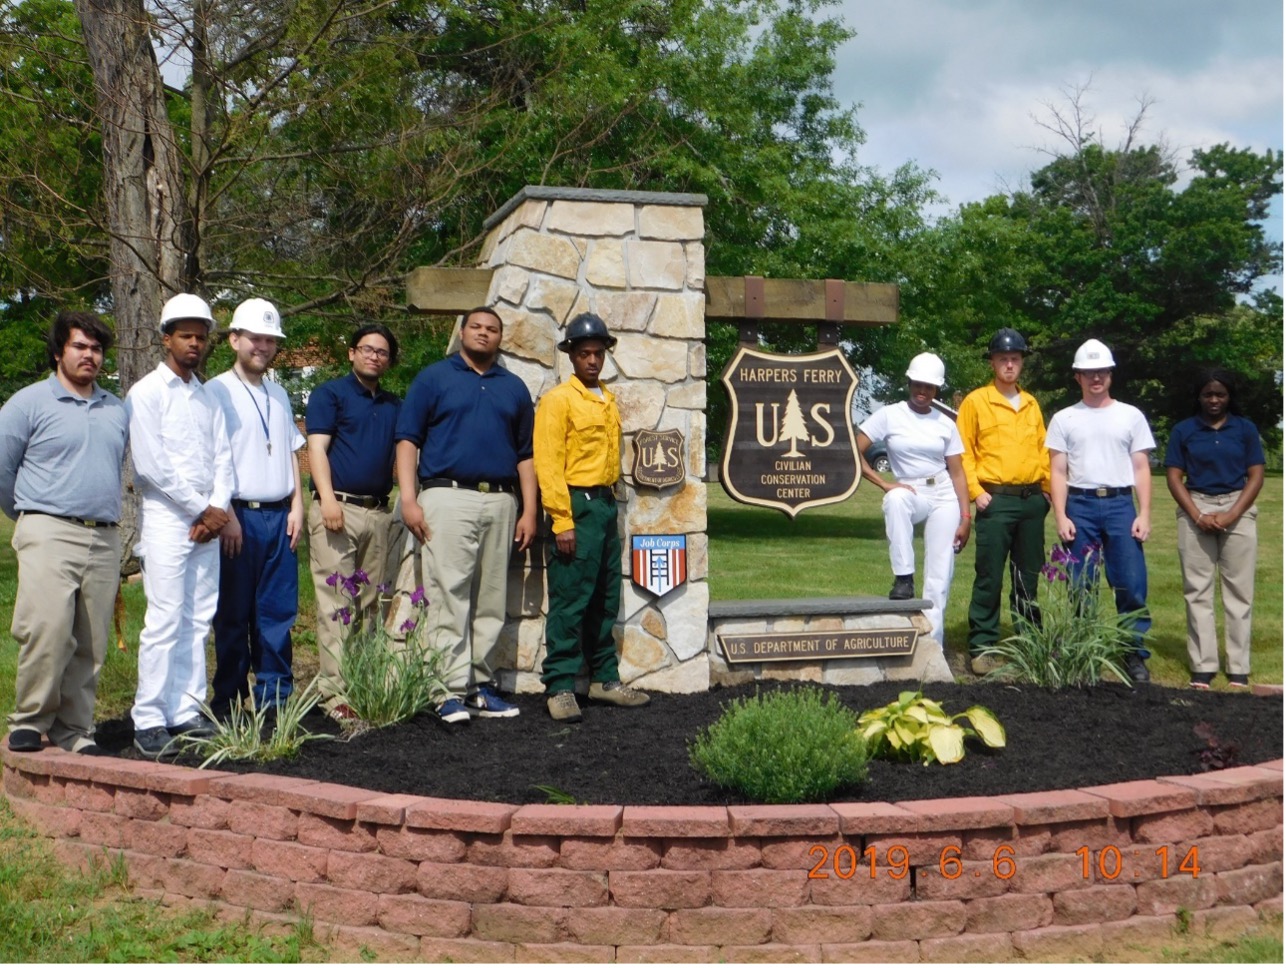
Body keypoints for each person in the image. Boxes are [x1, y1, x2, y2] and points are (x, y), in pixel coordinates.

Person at [394, 307, 537, 723]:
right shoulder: (434, 378)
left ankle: (481, 686)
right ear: (461, 332)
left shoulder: (513, 387)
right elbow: (407, 440)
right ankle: (447, 689)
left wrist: (529, 509)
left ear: (500, 339)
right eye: (476, 326)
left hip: (500, 501)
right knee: (448, 595)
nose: (483, 333)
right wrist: (408, 498)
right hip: (446, 496)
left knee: (492, 599)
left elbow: (525, 455)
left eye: (492, 329)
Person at [0, 312, 128, 755]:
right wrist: (28, 520)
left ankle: (75, 729)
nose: (89, 355)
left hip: (104, 536)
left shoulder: (116, 408)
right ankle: (31, 721)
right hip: (49, 529)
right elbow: (2, 468)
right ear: (59, 351)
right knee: (48, 629)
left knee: (91, 643)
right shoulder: (27, 404)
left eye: (96, 349)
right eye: (80, 346)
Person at [127, 293, 234, 757]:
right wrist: (200, 509)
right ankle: (149, 717)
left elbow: (223, 458)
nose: (194, 343)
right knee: (165, 619)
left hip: (206, 524)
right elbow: (151, 465)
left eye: (201, 336)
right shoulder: (146, 393)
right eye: (186, 335)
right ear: (165, 338)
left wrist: (217, 509)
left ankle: (186, 710)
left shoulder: (206, 395)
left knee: (198, 617)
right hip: (169, 521)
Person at [533, 312, 650, 723]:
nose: (592, 361)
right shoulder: (558, 401)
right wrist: (562, 520)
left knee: (605, 596)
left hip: (603, 504)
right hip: (576, 505)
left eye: (598, 353)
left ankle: (603, 680)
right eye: (584, 354)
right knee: (570, 598)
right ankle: (561, 686)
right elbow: (548, 464)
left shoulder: (607, 398)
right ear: (571, 356)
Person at [207, 298, 305, 716]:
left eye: (270, 340)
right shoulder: (216, 391)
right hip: (238, 517)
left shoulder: (279, 393)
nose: (262, 347)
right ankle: (228, 701)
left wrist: (298, 505)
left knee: (277, 614)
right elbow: (213, 460)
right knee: (232, 614)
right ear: (234, 340)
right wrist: (225, 512)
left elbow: (290, 454)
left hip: (280, 514)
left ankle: (275, 701)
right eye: (254, 338)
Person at [306, 324, 402, 721]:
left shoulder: (396, 405)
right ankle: (335, 694)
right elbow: (317, 447)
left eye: (382, 352)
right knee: (336, 604)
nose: (374, 356)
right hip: (337, 512)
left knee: (370, 606)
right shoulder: (331, 394)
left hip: (379, 513)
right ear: (351, 353)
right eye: (367, 349)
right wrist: (327, 499)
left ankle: (362, 684)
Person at [1047, 338, 1156, 683]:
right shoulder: (1064, 419)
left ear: (1110, 374)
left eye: (1102, 372)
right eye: (1089, 373)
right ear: (1077, 377)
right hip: (1080, 504)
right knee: (1081, 583)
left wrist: (1145, 513)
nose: (1096, 378)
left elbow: (1141, 468)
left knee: (1131, 584)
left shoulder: (1130, 416)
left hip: (1121, 505)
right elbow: (1058, 471)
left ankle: (1133, 653)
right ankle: (1084, 649)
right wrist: (1061, 515)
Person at [857, 353, 972, 647]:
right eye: (918, 385)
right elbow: (853, 450)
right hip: (911, 491)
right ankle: (903, 578)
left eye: (930, 387)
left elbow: (957, 472)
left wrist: (965, 516)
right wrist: (883, 482)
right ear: (909, 383)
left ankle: (933, 645)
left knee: (939, 574)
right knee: (894, 500)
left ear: (937, 390)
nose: (923, 392)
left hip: (943, 492)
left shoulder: (945, 422)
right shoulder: (890, 414)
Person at [955, 328, 1051, 675]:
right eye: (1002, 359)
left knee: (1028, 576)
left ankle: (1029, 642)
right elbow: (961, 452)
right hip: (994, 501)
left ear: (1021, 362)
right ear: (993, 362)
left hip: (1030, 501)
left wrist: (1047, 492)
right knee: (990, 576)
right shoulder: (977, 401)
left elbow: (1043, 450)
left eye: (1015, 358)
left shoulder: (1031, 404)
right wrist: (976, 493)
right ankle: (982, 645)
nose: (1009, 364)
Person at [1164, 368, 1265, 689]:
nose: (1214, 400)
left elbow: (1256, 475)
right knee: (1198, 591)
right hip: (1196, 505)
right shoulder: (1184, 431)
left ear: (1229, 396)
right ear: (1198, 396)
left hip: (1238, 506)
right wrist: (1196, 514)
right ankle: (1203, 665)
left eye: (1220, 394)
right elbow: (1173, 476)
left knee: (1239, 592)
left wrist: (1233, 513)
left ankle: (1238, 667)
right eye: (1208, 394)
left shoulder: (1245, 429)